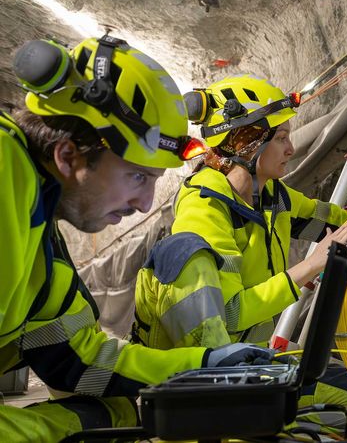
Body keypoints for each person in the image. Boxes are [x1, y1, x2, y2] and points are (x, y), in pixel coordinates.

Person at [132, 74, 347, 428]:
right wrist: (310, 266)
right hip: (202, 383)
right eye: (282, 138)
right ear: (247, 142)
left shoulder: (272, 197)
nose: (291, 148)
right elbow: (231, 314)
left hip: (250, 365)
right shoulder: (203, 212)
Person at [0, 36, 279, 441]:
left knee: (118, 415)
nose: (147, 204)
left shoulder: (39, 231)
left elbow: (74, 356)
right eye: (138, 176)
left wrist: (205, 364)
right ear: (67, 155)